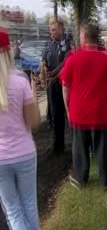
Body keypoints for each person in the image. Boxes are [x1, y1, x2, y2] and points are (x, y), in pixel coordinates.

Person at [0, 27, 45, 230]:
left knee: (13, 211)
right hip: (24, 153)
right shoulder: (20, 81)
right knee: (29, 204)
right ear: (9, 50)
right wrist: (34, 93)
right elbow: (34, 123)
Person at [60, 22, 107, 190]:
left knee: (79, 148)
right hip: (100, 111)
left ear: (84, 37)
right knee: (103, 148)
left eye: (80, 35)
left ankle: (80, 177)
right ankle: (106, 180)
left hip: (78, 111)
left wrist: (67, 108)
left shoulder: (73, 59)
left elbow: (65, 86)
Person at [40, 18, 73, 155]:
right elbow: (43, 61)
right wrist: (43, 70)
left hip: (66, 83)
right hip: (52, 85)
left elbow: (67, 61)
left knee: (70, 113)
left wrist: (55, 74)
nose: (51, 32)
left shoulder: (68, 43)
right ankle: (58, 145)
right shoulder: (48, 44)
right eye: (50, 29)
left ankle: (76, 143)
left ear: (61, 29)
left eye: (54, 29)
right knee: (55, 115)